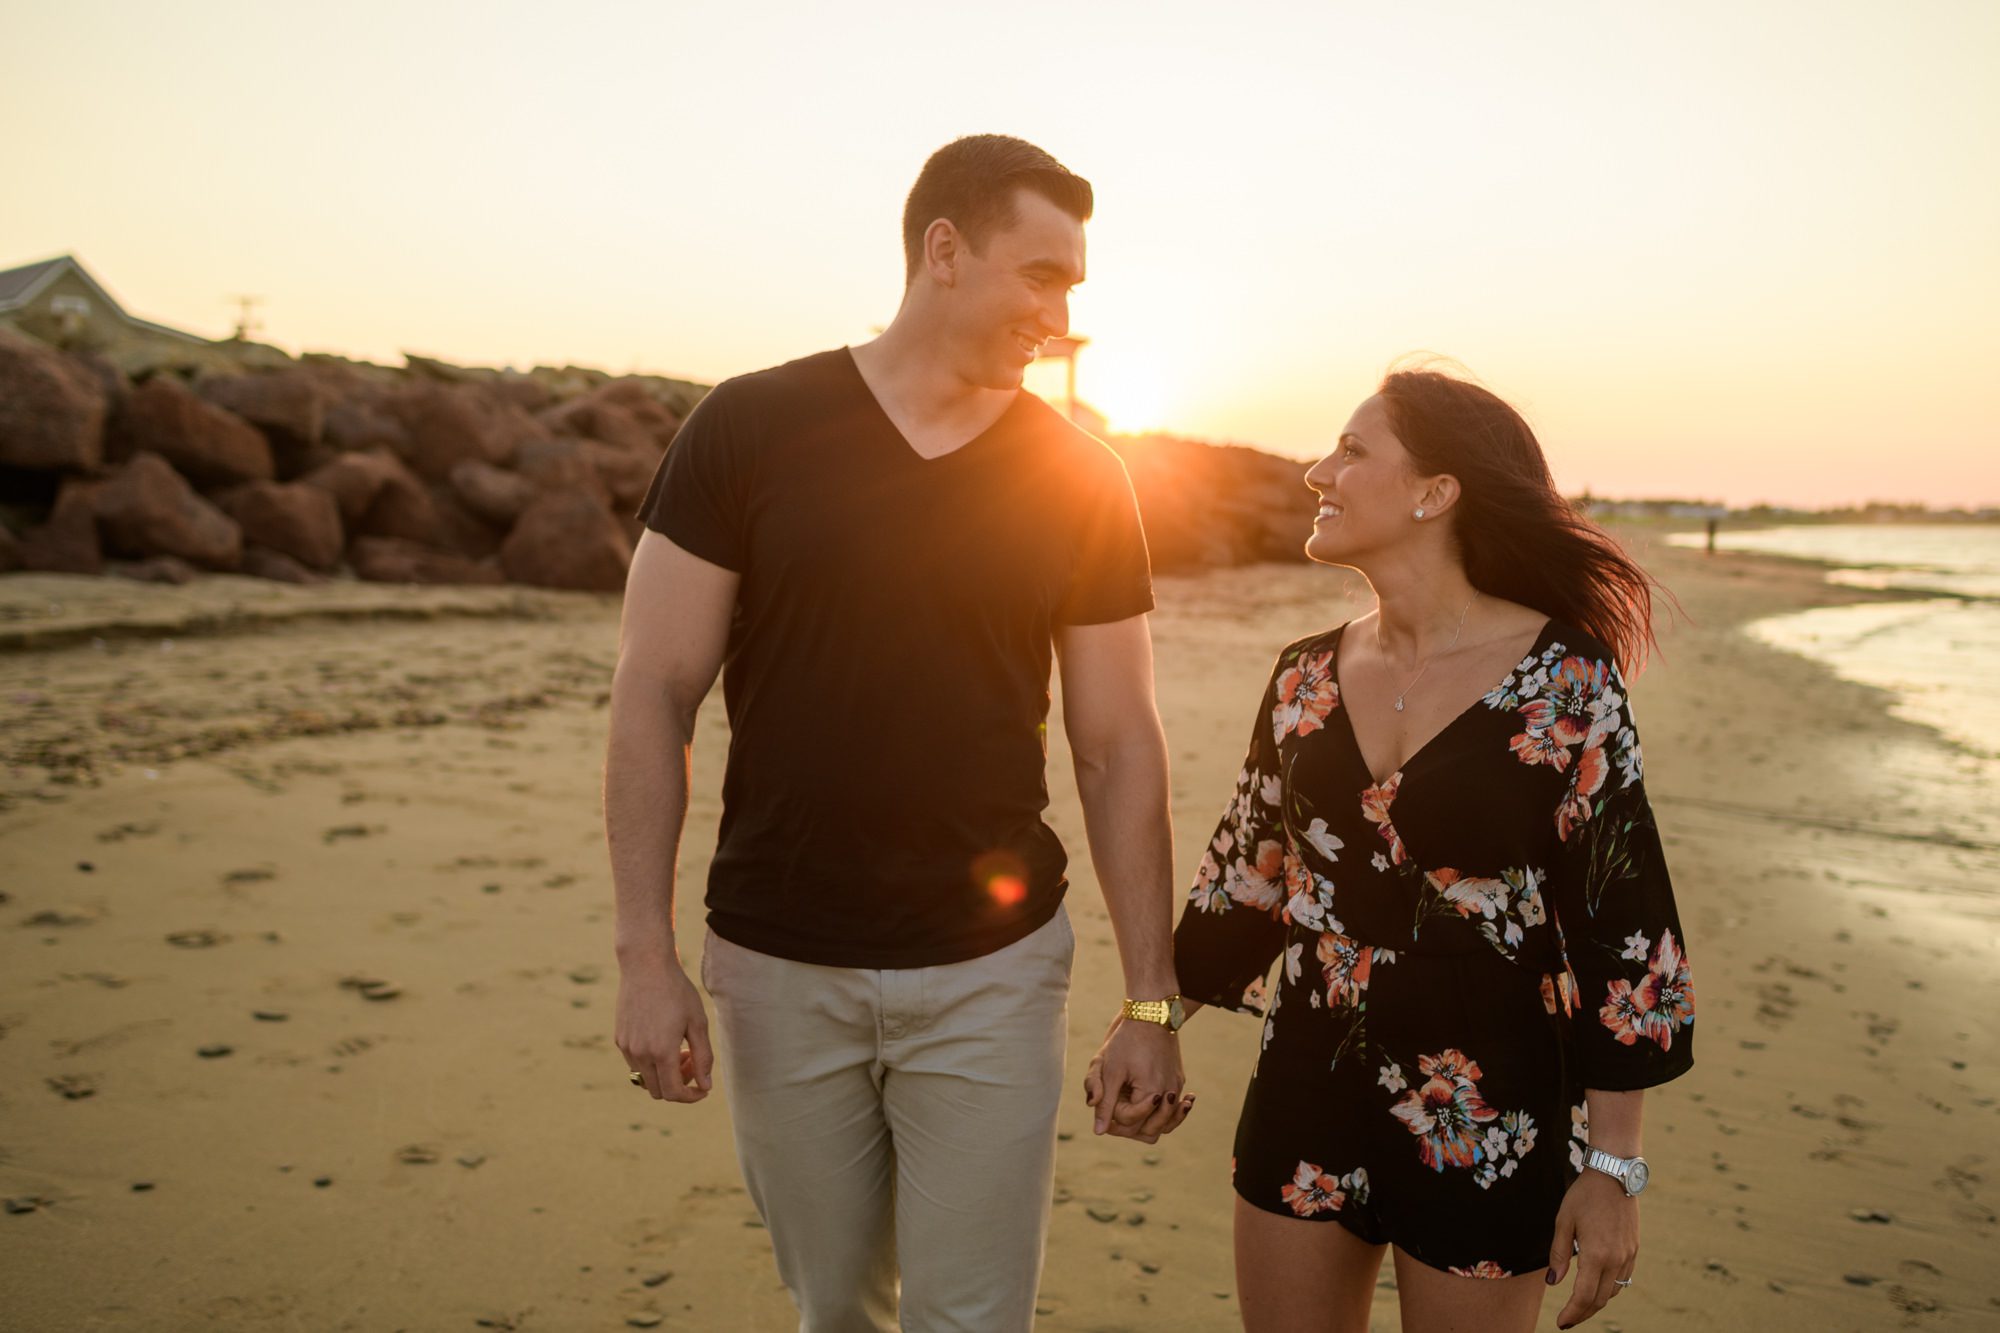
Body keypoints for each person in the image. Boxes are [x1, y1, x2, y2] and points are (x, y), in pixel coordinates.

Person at [604, 134, 1192, 1333]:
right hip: (776, 962)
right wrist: (643, 958)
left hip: (992, 970)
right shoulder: (749, 427)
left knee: (973, 1319)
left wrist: (1149, 1000)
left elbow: (1116, 742)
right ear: (943, 251)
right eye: (1040, 273)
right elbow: (653, 689)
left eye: (1071, 283)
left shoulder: (1083, 478)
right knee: (835, 1309)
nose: (1059, 309)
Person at [1154, 366, 1696, 1332]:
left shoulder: (1565, 680)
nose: (1319, 470)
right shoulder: (1302, 678)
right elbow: (1246, 881)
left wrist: (1611, 1168)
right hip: (1305, 1080)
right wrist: (1151, 1017)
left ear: (1435, 492)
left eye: (1353, 450)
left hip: (1485, 1103)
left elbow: (1626, 927)